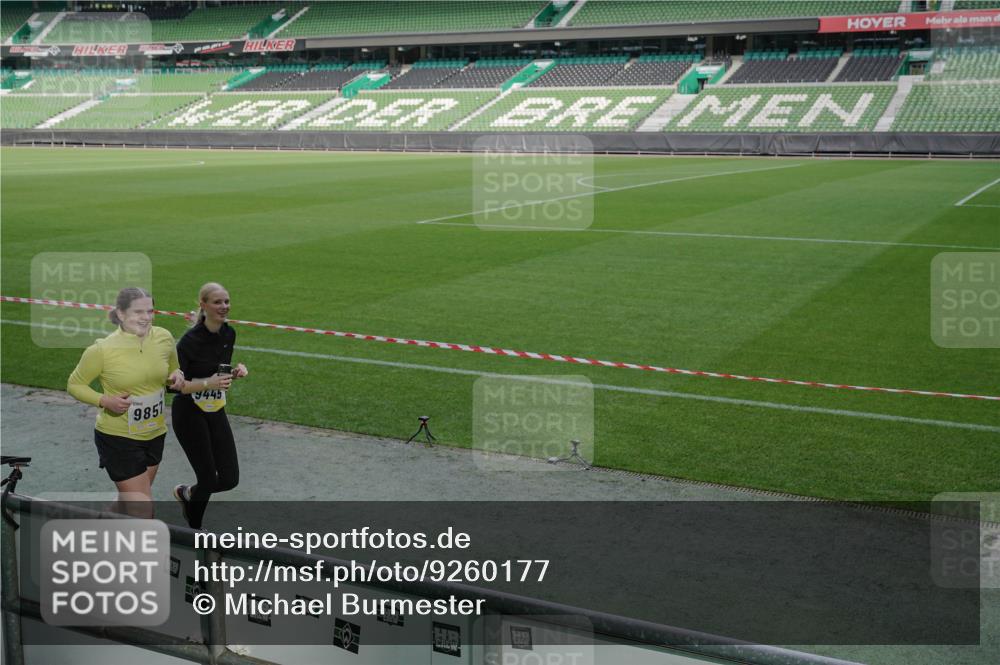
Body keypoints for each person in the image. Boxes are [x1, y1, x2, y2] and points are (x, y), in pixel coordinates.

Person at [68, 287, 185, 516]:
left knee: (128, 501)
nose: (146, 317)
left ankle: (101, 529)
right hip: (117, 438)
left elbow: (174, 369)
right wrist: (104, 400)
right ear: (120, 314)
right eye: (138, 312)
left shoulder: (164, 337)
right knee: (142, 509)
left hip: (154, 433)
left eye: (150, 311)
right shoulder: (101, 350)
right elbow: (75, 384)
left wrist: (177, 377)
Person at [171, 282, 248, 529]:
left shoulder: (229, 334)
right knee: (206, 478)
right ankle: (195, 534)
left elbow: (219, 373)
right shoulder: (189, 341)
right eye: (217, 302)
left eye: (226, 301)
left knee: (229, 479)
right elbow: (173, 387)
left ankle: (187, 494)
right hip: (188, 412)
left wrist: (234, 373)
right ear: (203, 305)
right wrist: (208, 382)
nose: (224, 306)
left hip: (215, 409)